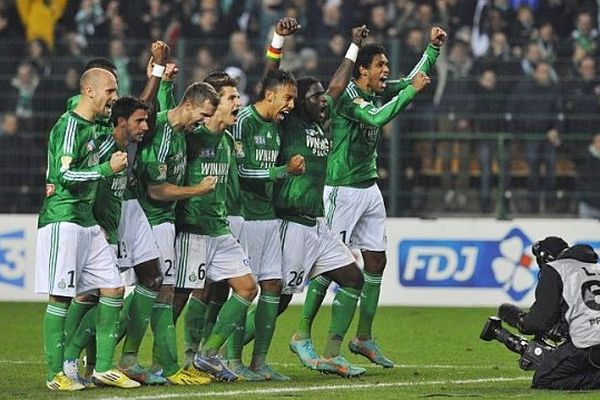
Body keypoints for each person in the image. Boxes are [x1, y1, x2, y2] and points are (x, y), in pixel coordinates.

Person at [314, 27, 446, 368]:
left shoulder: (378, 89)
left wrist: (432, 49)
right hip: (341, 189)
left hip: (369, 188)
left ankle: (364, 338)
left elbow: (410, 79)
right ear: (362, 70)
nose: (386, 70)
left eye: (386, 65)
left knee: (376, 261)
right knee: (327, 266)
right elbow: (379, 116)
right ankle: (307, 337)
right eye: (380, 65)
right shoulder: (349, 98)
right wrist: (411, 94)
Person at [275, 25, 371, 377]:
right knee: (279, 298)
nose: (323, 100)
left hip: (317, 223)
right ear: (299, 103)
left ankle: (330, 352)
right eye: (314, 97)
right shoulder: (289, 126)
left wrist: (354, 48)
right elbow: (269, 79)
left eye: (321, 96)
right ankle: (228, 355)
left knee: (353, 279)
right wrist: (277, 42)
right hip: (292, 223)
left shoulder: (317, 123)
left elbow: (336, 85)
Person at [34, 67, 138, 390]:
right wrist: (107, 169)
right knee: (61, 297)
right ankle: (55, 376)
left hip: (87, 222)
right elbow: (64, 177)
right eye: (110, 90)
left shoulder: (96, 130)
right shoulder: (68, 127)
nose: (114, 97)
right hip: (62, 219)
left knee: (113, 287)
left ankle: (104, 367)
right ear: (90, 91)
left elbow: (108, 146)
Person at [171, 71, 259, 382]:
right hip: (193, 228)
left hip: (219, 228)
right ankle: (172, 359)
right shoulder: (192, 138)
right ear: (214, 103)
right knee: (180, 296)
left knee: (248, 288)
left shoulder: (229, 140)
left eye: (238, 97)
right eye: (232, 98)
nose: (238, 102)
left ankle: (206, 355)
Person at [134, 81, 219, 384]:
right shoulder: (162, 134)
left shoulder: (182, 132)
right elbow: (156, 190)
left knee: (158, 293)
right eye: (203, 114)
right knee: (147, 293)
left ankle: (150, 365)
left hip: (164, 222)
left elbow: (166, 99)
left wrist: (166, 78)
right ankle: (154, 366)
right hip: (151, 219)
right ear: (188, 106)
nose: (204, 122)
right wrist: (198, 189)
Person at [499, 237, 600, 390]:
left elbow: (539, 322)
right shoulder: (595, 268)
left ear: (546, 257)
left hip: (588, 346)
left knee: (543, 379)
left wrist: (517, 319)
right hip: (592, 343)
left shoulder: (555, 269)